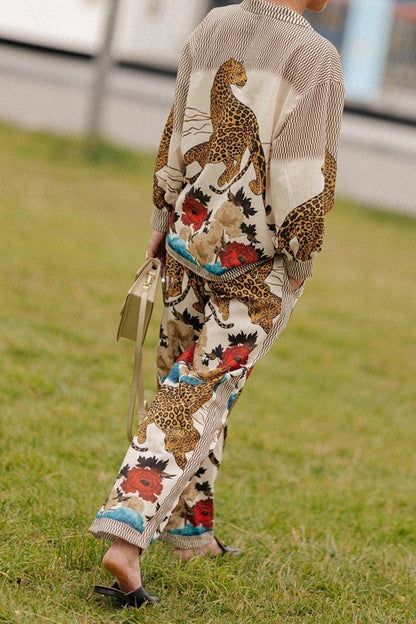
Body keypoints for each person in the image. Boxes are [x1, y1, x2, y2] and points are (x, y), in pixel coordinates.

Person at [89, 0, 344, 608]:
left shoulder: (212, 27)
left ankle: (190, 529)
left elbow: (177, 129)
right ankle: (127, 531)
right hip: (253, 265)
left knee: (191, 387)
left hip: (186, 236)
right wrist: (300, 259)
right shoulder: (316, 58)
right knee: (197, 391)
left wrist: (161, 213)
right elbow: (304, 176)